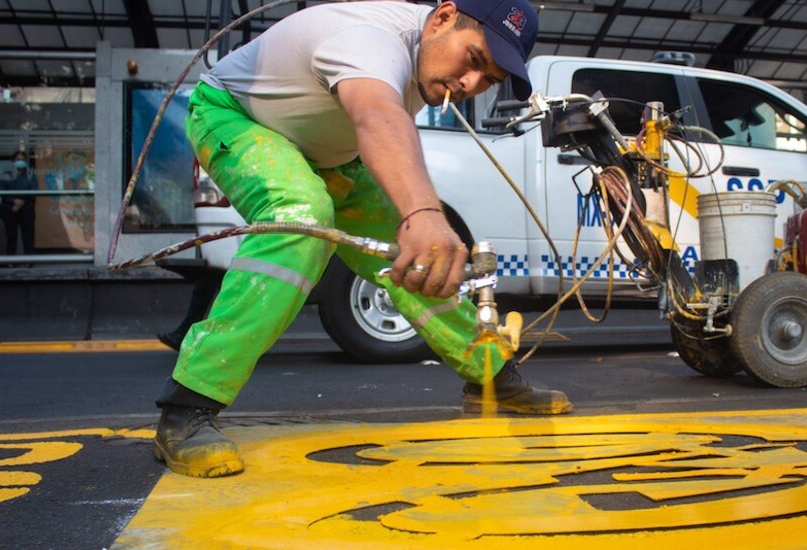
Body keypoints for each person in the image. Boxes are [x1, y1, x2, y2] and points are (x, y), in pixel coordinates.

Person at [153, 0, 571, 479]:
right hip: (235, 117)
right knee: (304, 218)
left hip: (328, 150)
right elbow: (376, 115)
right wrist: (424, 211)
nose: (471, 85)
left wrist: (420, 226)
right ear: (442, 18)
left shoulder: (430, 57)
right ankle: (186, 410)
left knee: (422, 253)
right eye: (474, 59)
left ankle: (492, 378)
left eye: (489, 80)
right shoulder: (370, 40)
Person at [0, 151, 36, 256]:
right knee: (11, 236)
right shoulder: (6, 174)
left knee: (28, 237)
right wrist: (14, 201)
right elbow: (2, 192)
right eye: (18, 160)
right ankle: (10, 261)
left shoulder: (30, 175)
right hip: (9, 210)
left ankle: (29, 260)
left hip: (26, 209)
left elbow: (34, 191)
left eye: (23, 160)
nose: (21, 162)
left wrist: (21, 202)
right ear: (13, 161)